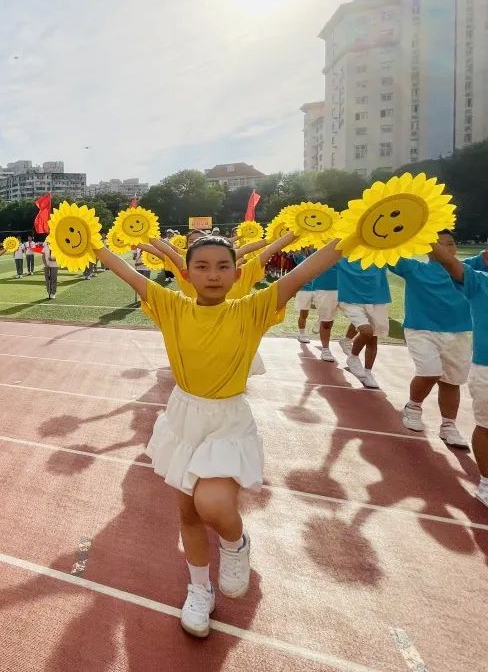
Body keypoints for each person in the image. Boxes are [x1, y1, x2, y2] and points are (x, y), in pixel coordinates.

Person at [99, 233, 341, 637]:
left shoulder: (254, 307)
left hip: (227, 420)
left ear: (237, 273)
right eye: (202, 267)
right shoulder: (171, 306)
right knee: (188, 513)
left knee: (212, 503)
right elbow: (124, 271)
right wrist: (90, 243)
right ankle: (199, 590)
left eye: (222, 266)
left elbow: (305, 271)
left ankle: (235, 542)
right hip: (183, 417)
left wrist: (356, 233)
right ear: (187, 273)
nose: (213, 275)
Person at [389, 231, 472, 448]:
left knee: (452, 381)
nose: (446, 248)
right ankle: (413, 407)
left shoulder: (466, 271)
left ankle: (448, 426)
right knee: (430, 371)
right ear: (428, 248)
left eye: (451, 243)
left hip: (458, 333)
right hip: (421, 329)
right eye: (439, 244)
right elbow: (387, 254)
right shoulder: (415, 269)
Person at [429, 241, 488, 507]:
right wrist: (420, 226)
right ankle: (486, 483)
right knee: (487, 427)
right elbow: (449, 262)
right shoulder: (479, 283)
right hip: (486, 369)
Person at [337, 260, 390, 388]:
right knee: (366, 331)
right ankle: (353, 357)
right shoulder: (343, 256)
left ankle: (367, 372)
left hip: (376, 299)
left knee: (373, 339)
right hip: (351, 299)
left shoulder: (381, 255)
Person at [294, 250, 338, 362]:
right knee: (304, 313)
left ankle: (320, 322)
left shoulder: (319, 252)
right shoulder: (299, 254)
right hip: (304, 288)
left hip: (318, 287)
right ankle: (302, 333)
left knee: (327, 310)